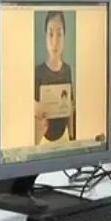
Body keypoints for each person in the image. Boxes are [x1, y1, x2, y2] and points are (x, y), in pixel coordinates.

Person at [35, 11, 75, 144]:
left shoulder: (67, 70)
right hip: (43, 140)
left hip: (64, 138)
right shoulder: (38, 72)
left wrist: (72, 137)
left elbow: (70, 107)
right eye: (50, 34)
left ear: (65, 37)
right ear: (45, 37)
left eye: (59, 34)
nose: (55, 42)